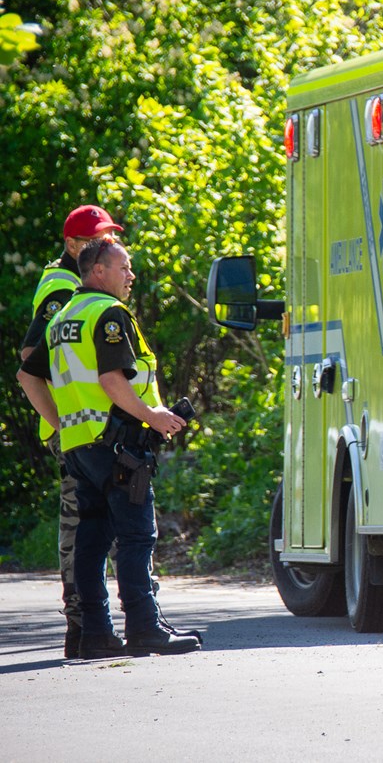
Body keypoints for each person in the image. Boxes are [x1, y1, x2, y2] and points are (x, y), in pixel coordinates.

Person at [17, 238, 199, 657]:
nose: (130, 275)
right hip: (119, 446)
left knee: (92, 541)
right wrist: (153, 416)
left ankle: (96, 634)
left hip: (80, 448)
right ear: (98, 270)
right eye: (124, 267)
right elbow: (112, 380)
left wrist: (61, 425)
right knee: (136, 537)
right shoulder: (108, 313)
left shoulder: (63, 317)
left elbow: (28, 376)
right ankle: (144, 627)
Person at [16, 204, 124, 658]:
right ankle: (93, 624)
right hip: (85, 432)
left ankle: (90, 629)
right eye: (96, 238)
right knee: (95, 528)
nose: (105, 242)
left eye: (109, 236)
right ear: (73, 246)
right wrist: (60, 424)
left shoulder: (79, 285)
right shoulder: (64, 289)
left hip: (90, 429)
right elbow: (28, 362)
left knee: (93, 528)